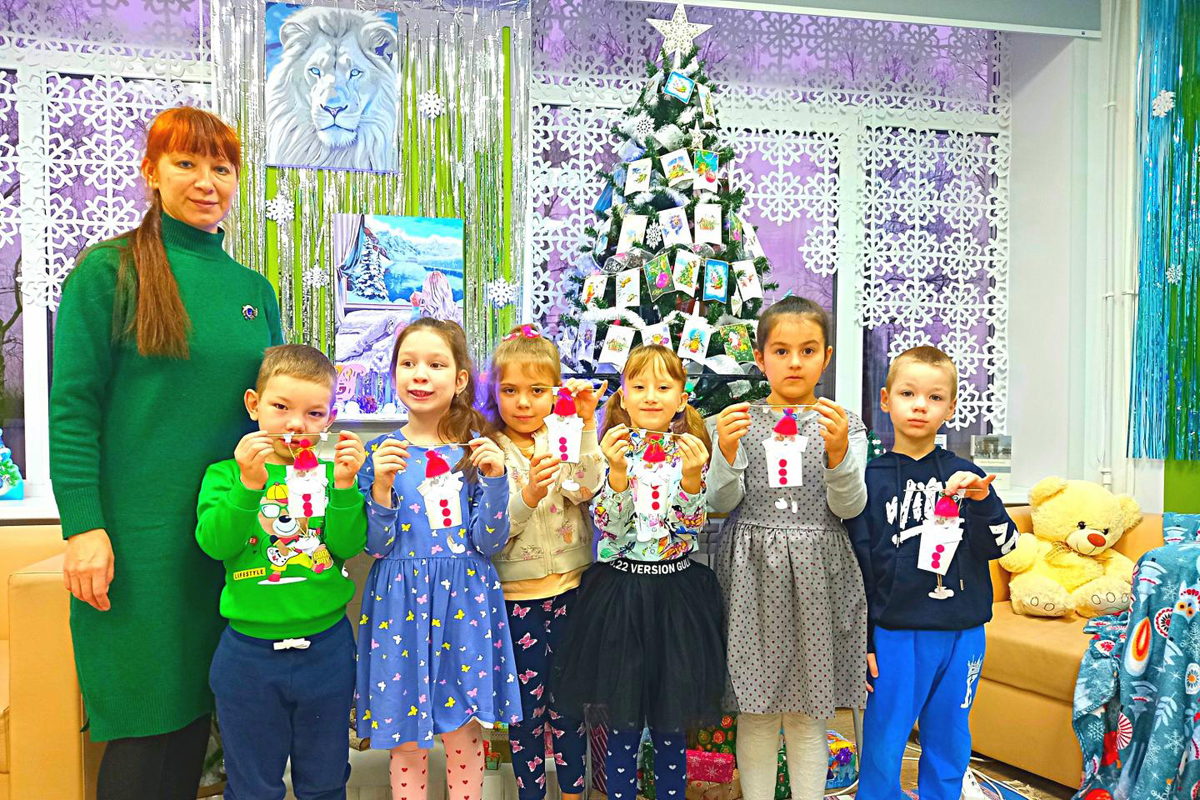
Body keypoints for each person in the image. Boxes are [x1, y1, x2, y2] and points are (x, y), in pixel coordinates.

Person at [48, 106, 283, 800]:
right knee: (145, 723)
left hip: (228, 537)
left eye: (222, 168)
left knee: (199, 722)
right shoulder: (108, 271)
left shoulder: (253, 291)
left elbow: (276, 411)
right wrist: (83, 527)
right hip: (138, 546)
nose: (207, 181)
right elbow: (73, 410)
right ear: (151, 171)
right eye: (186, 163)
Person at [707, 295, 868, 800]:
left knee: (807, 713)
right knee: (754, 711)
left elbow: (850, 506)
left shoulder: (844, 425)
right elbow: (719, 503)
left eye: (808, 350)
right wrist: (725, 453)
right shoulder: (736, 422)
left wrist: (839, 455)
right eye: (781, 351)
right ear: (760, 358)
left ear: (826, 357)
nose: (794, 362)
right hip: (750, 575)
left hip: (819, 576)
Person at [355, 317, 522, 800]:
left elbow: (489, 542)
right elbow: (376, 545)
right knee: (404, 730)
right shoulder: (379, 452)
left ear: (460, 378)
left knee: (463, 728)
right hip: (399, 606)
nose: (420, 375)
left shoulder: (477, 451)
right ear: (394, 374)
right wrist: (381, 487)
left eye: (435, 364)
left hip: (465, 603)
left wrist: (496, 481)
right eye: (408, 364)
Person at [552, 344, 725, 800]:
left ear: (681, 399)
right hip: (621, 597)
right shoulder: (613, 451)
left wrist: (692, 477)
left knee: (671, 725)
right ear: (623, 397)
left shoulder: (690, 454)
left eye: (663, 387)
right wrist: (616, 471)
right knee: (622, 723)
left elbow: (690, 527)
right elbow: (609, 525)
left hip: (676, 599)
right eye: (639, 386)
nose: (651, 395)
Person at [196, 344, 368, 799]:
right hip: (248, 656)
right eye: (281, 408)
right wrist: (248, 487)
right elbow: (215, 544)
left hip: (327, 650)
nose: (296, 425)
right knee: (251, 787)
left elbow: (348, 546)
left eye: (314, 414)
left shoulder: (331, 475)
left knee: (325, 781)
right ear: (254, 405)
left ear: (330, 419)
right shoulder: (225, 475)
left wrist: (346, 487)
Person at [846, 346, 1018, 800]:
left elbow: (1004, 546)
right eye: (908, 394)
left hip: (963, 632)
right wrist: (864, 638)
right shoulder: (867, 479)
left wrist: (982, 500)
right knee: (885, 740)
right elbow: (858, 569)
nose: (920, 405)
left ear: (951, 407)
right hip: (896, 633)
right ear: (886, 400)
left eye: (935, 397)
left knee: (950, 737)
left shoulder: (969, 476)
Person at [481, 324, 606, 800]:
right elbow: (491, 533)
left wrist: (587, 424)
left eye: (537, 391)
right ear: (495, 392)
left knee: (570, 707)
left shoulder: (564, 436)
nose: (523, 403)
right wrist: (528, 493)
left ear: (555, 392)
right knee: (525, 715)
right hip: (516, 601)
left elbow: (585, 488)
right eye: (510, 390)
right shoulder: (491, 450)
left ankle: (573, 793)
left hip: (572, 592)